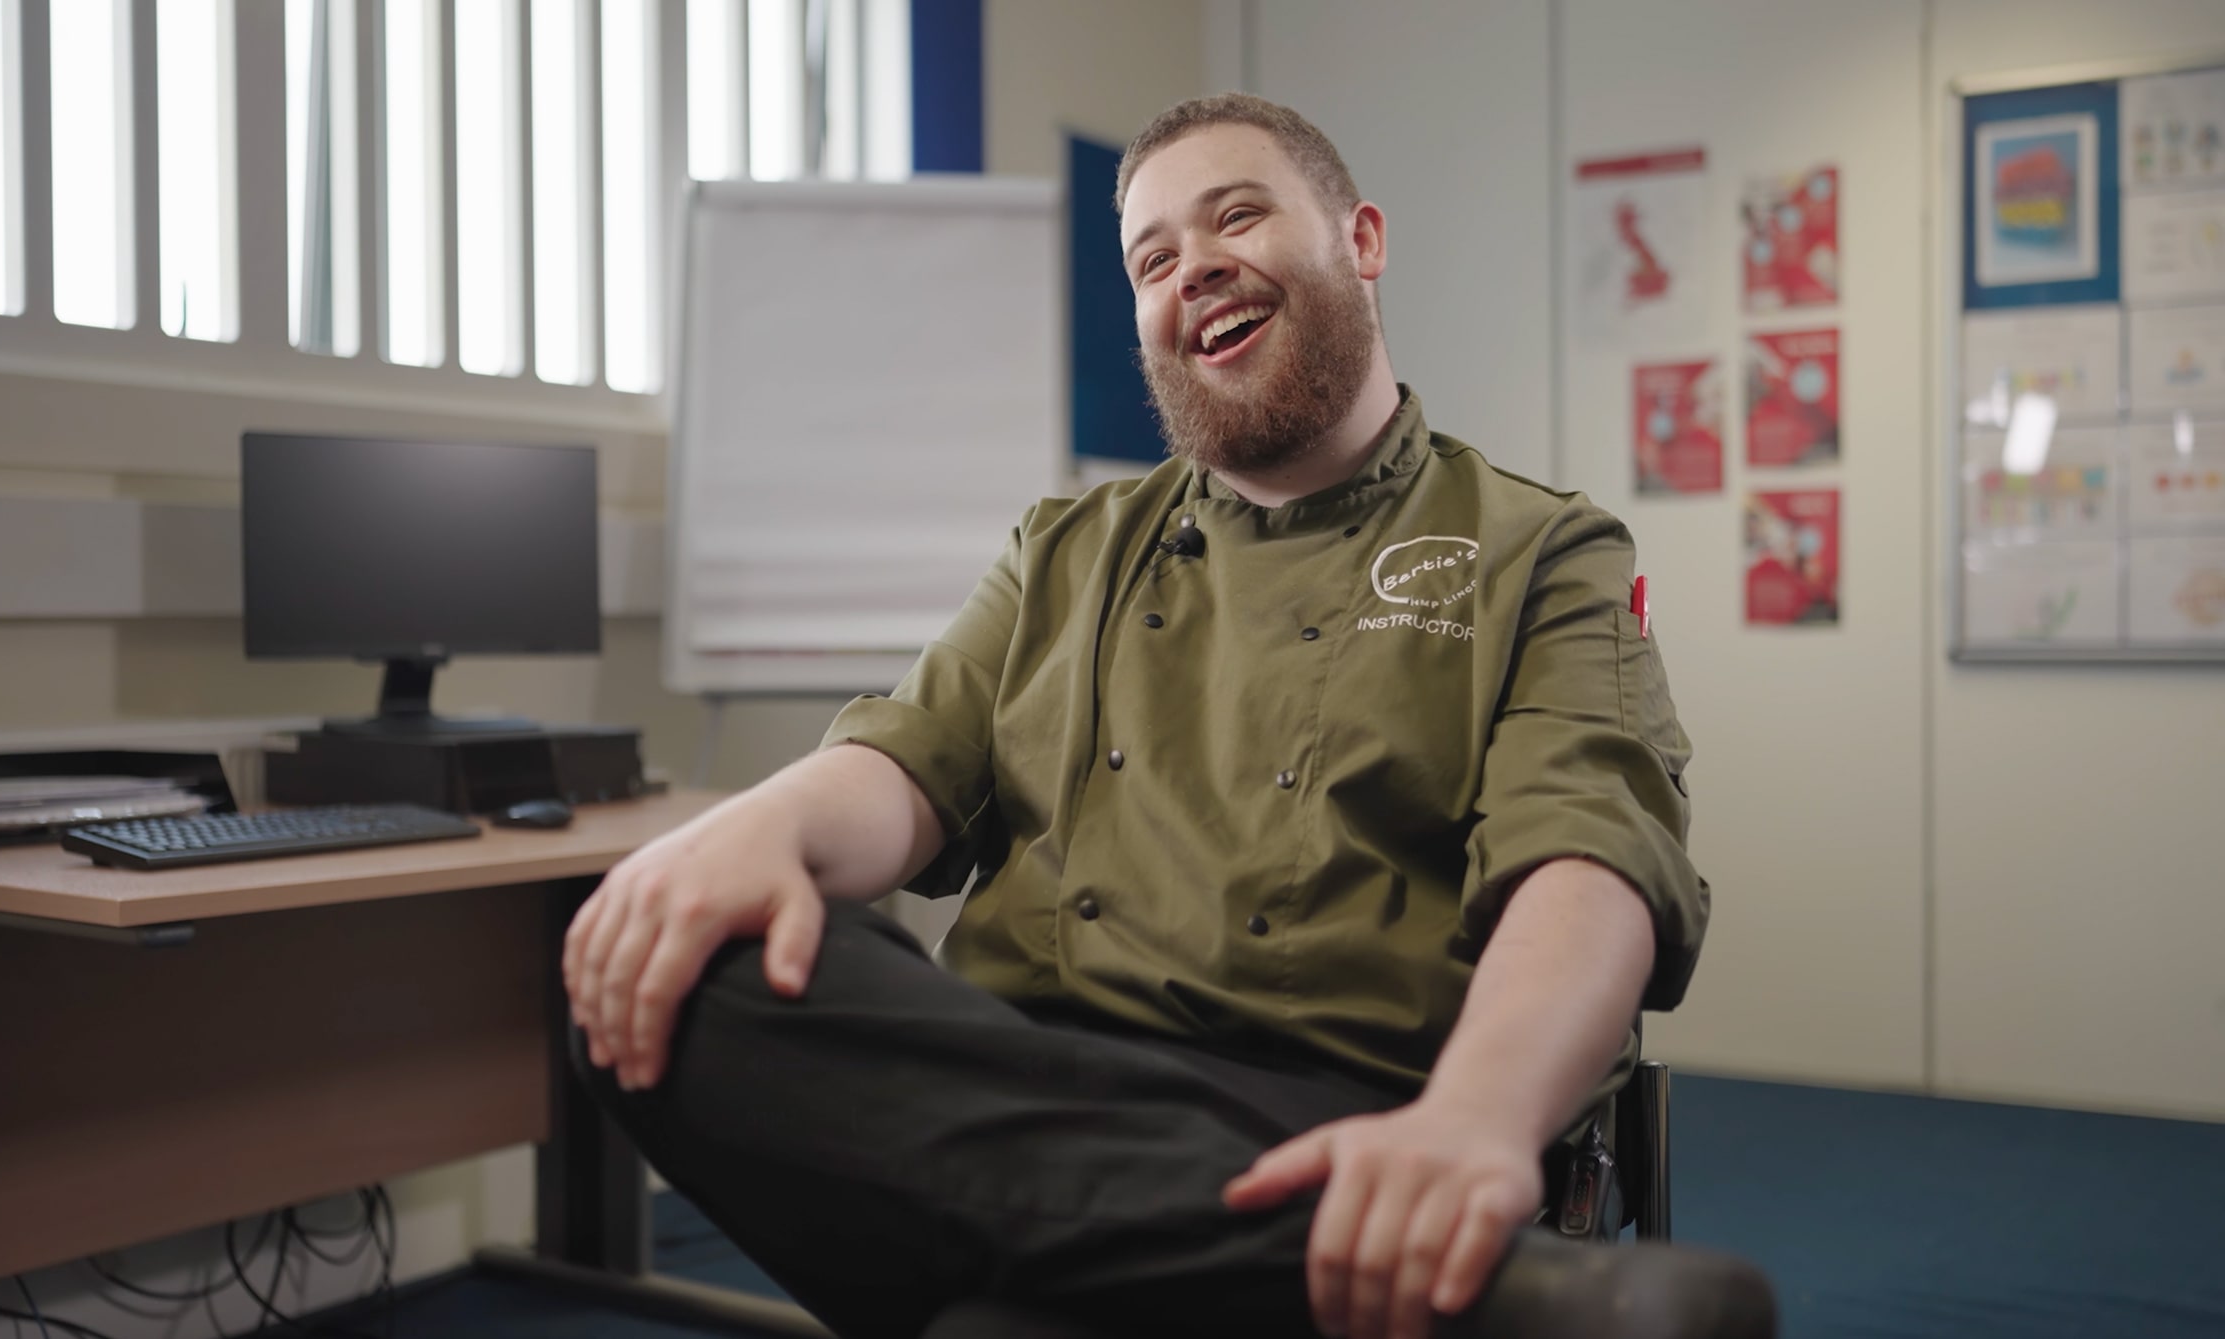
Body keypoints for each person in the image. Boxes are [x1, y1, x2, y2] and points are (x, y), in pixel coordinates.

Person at [563, 93, 1772, 1339]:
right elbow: (907, 764)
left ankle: (1165, 1255)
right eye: (1153, 259)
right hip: (1016, 1075)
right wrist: (759, 827)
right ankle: (1460, 1302)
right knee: (668, 960)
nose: (1193, 269)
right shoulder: (1066, 550)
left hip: (1340, 1111)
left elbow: (1589, 863)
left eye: (1236, 215)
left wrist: (1472, 1122)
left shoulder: (1541, 549)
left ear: (1359, 241)